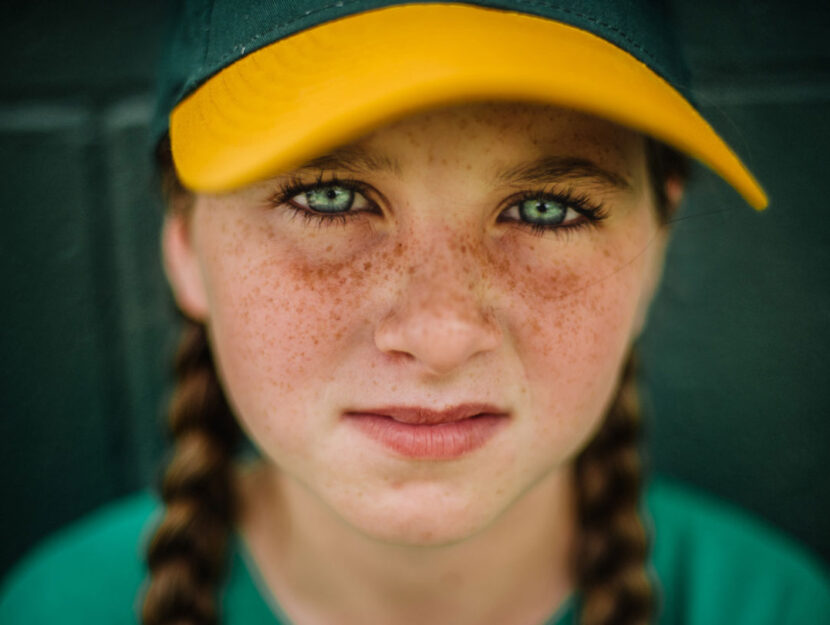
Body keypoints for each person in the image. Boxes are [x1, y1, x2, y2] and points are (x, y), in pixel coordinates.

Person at [1, 1, 828, 625]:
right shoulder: (57, 607)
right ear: (182, 239)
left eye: (545, 208)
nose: (439, 336)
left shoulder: (771, 606)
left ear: (657, 242)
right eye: (329, 198)